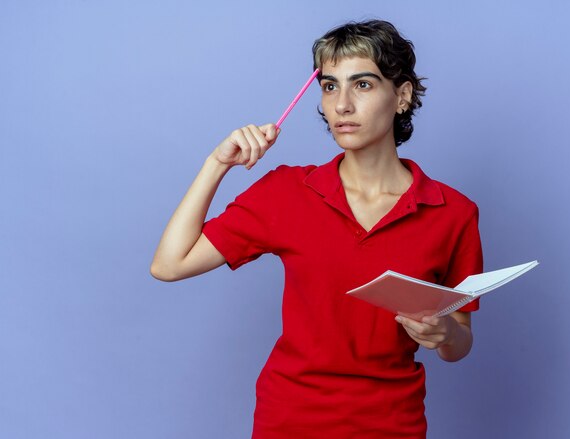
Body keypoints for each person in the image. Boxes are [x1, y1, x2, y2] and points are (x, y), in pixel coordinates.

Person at [151, 19, 482, 439]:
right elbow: (169, 264)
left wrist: (446, 332)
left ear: (401, 95)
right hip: (290, 420)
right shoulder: (287, 191)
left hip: (392, 423)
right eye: (329, 86)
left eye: (362, 85)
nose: (342, 104)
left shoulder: (453, 212)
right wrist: (216, 164)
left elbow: (460, 345)